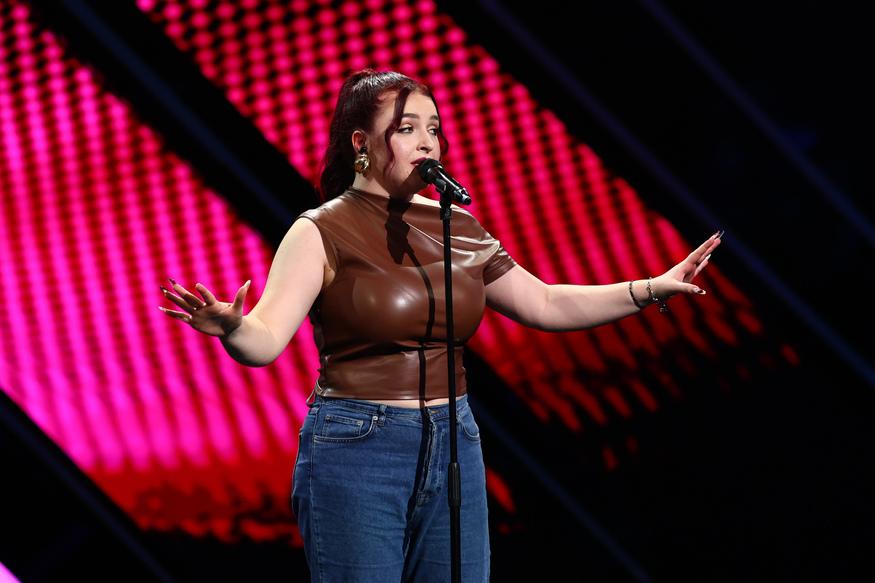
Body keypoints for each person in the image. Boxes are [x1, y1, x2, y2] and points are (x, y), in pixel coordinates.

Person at [158, 69, 722, 582]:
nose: (428, 142)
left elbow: (546, 303)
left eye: (433, 129)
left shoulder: (459, 227)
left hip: (454, 437)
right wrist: (232, 328)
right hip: (358, 446)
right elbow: (265, 339)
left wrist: (650, 287)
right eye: (407, 129)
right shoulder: (320, 231)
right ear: (361, 144)